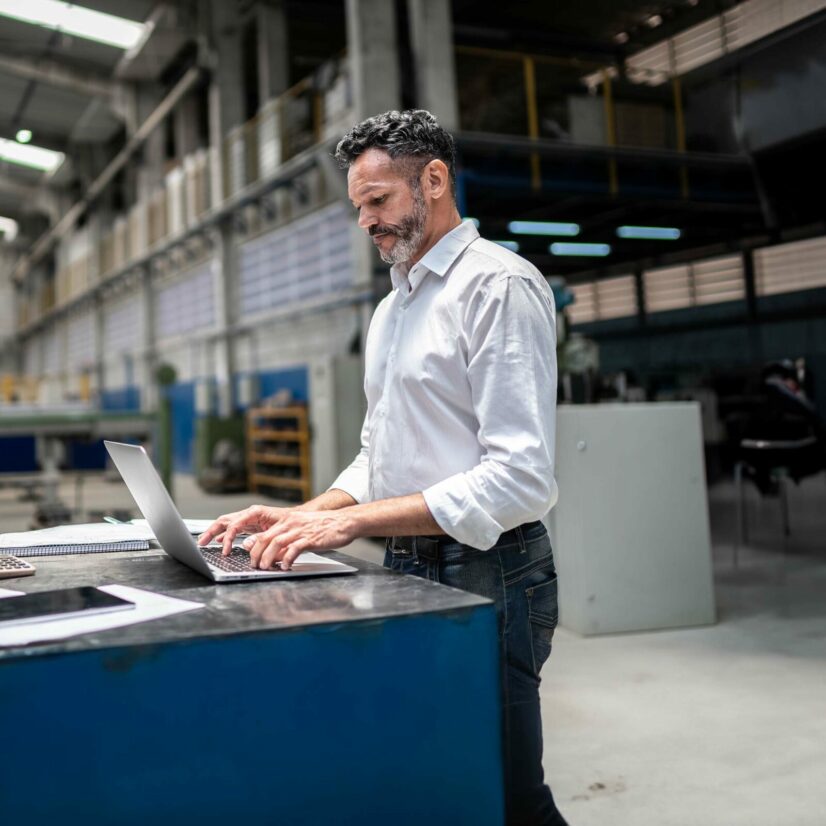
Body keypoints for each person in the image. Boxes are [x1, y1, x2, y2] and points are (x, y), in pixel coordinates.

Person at [199, 109, 567, 826]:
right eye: (358, 207)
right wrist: (306, 514)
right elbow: (381, 453)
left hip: (490, 570)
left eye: (378, 201)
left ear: (433, 180)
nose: (366, 222)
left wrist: (353, 525)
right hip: (408, 565)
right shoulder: (394, 308)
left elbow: (521, 477)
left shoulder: (497, 287)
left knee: (507, 792)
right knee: (436, 776)